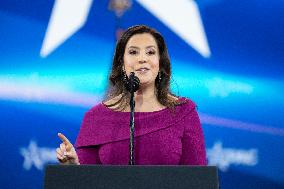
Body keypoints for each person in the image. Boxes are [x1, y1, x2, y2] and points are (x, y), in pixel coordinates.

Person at [56, 25, 207, 165]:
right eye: (133, 52)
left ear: (160, 63)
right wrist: (74, 166)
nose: (142, 58)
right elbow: (86, 179)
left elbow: (197, 178)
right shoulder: (96, 117)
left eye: (150, 52)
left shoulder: (183, 112)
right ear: (122, 64)